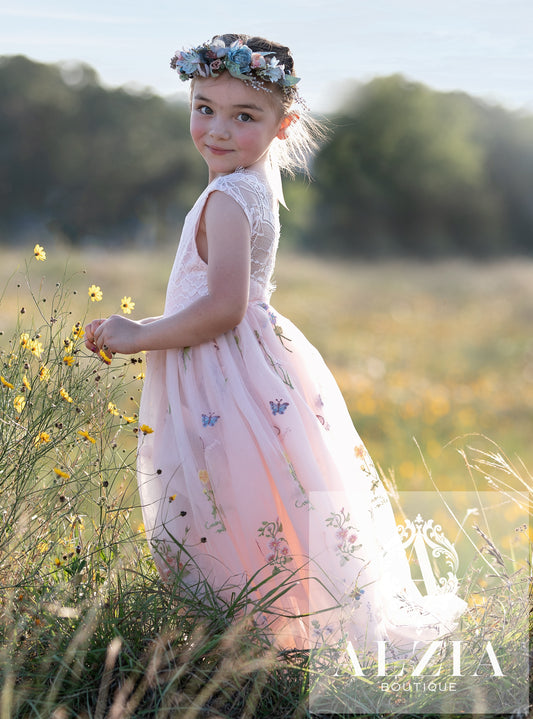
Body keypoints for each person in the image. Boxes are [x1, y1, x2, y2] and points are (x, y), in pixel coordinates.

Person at [85, 34, 465, 652]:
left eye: (244, 116)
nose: (218, 129)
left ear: (282, 124)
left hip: (224, 370)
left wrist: (139, 334)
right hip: (240, 363)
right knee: (258, 493)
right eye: (203, 108)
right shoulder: (248, 185)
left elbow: (223, 308)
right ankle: (268, 627)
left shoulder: (230, 197)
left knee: (229, 498)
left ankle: (256, 632)